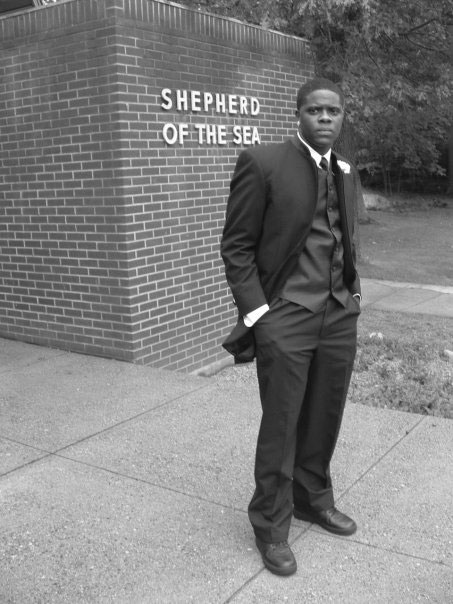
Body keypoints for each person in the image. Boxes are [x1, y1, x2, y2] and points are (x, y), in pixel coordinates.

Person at [220, 77, 362, 576]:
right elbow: (236, 246)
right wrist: (259, 313)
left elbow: (345, 235)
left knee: (325, 415)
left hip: (339, 314)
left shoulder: (344, 170)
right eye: (315, 110)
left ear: (343, 118)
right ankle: (270, 525)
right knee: (281, 425)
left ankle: (312, 498)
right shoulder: (263, 163)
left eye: (334, 111)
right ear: (298, 114)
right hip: (287, 317)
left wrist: (354, 294)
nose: (326, 118)